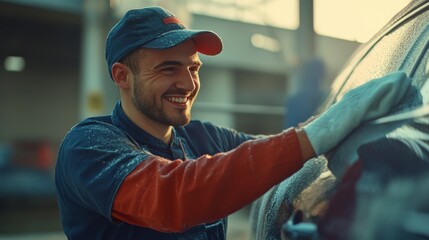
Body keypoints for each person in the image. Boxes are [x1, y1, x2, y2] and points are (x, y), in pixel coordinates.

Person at [55, 6, 412, 240]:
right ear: (122, 76)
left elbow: (282, 159)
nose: (187, 83)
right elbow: (170, 197)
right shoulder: (88, 146)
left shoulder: (201, 137)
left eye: (193, 68)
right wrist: (314, 134)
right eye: (168, 69)